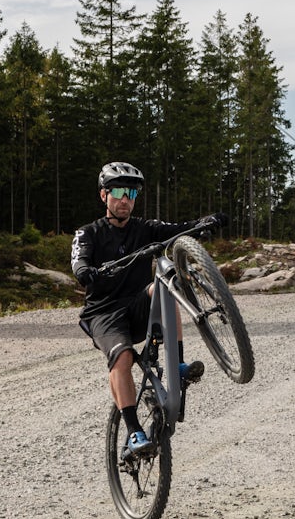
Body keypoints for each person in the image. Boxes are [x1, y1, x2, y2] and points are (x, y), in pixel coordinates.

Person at [71, 161, 227, 456]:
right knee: (124, 358)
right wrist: (84, 271)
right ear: (104, 196)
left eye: (131, 192)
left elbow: (181, 229)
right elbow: (79, 259)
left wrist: (207, 222)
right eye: (117, 191)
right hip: (103, 314)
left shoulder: (145, 228)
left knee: (168, 285)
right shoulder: (89, 233)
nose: (125, 199)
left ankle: (178, 366)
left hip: (139, 304)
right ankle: (133, 432)